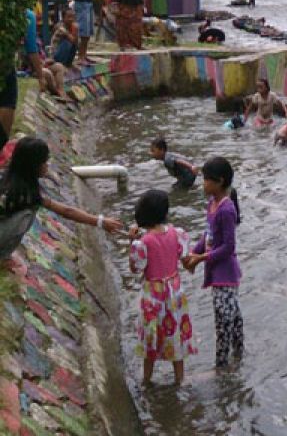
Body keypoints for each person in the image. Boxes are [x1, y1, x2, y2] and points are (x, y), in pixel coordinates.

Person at [0, 137, 125, 268]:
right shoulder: (28, 195)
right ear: (34, 166)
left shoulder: (7, 175)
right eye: (45, 162)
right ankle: (3, 257)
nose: (47, 165)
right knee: (27, 214)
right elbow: (67, 211)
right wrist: (100, 221)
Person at [128, 189, 197, 385]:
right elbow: (185, 258)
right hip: (175, 293)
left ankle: (146, 380)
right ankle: (179, 379)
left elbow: (135, 268)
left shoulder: (143, 242)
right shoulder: (177, 233)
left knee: (150, 336)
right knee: (175, 333)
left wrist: (131, 241)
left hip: (154, 296)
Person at [182, 157, 243, 368]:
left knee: (223, 324)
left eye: (207, 180)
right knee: (232, 320)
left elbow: (228, 247)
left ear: (220, 181)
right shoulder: (212, 204)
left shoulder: (226, 210)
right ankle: (237, 363)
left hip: (225, 276)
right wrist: (193, 253)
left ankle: (222, 368)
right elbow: (208, 235)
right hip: (218, 273)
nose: (203, 184)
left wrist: (201, 258)